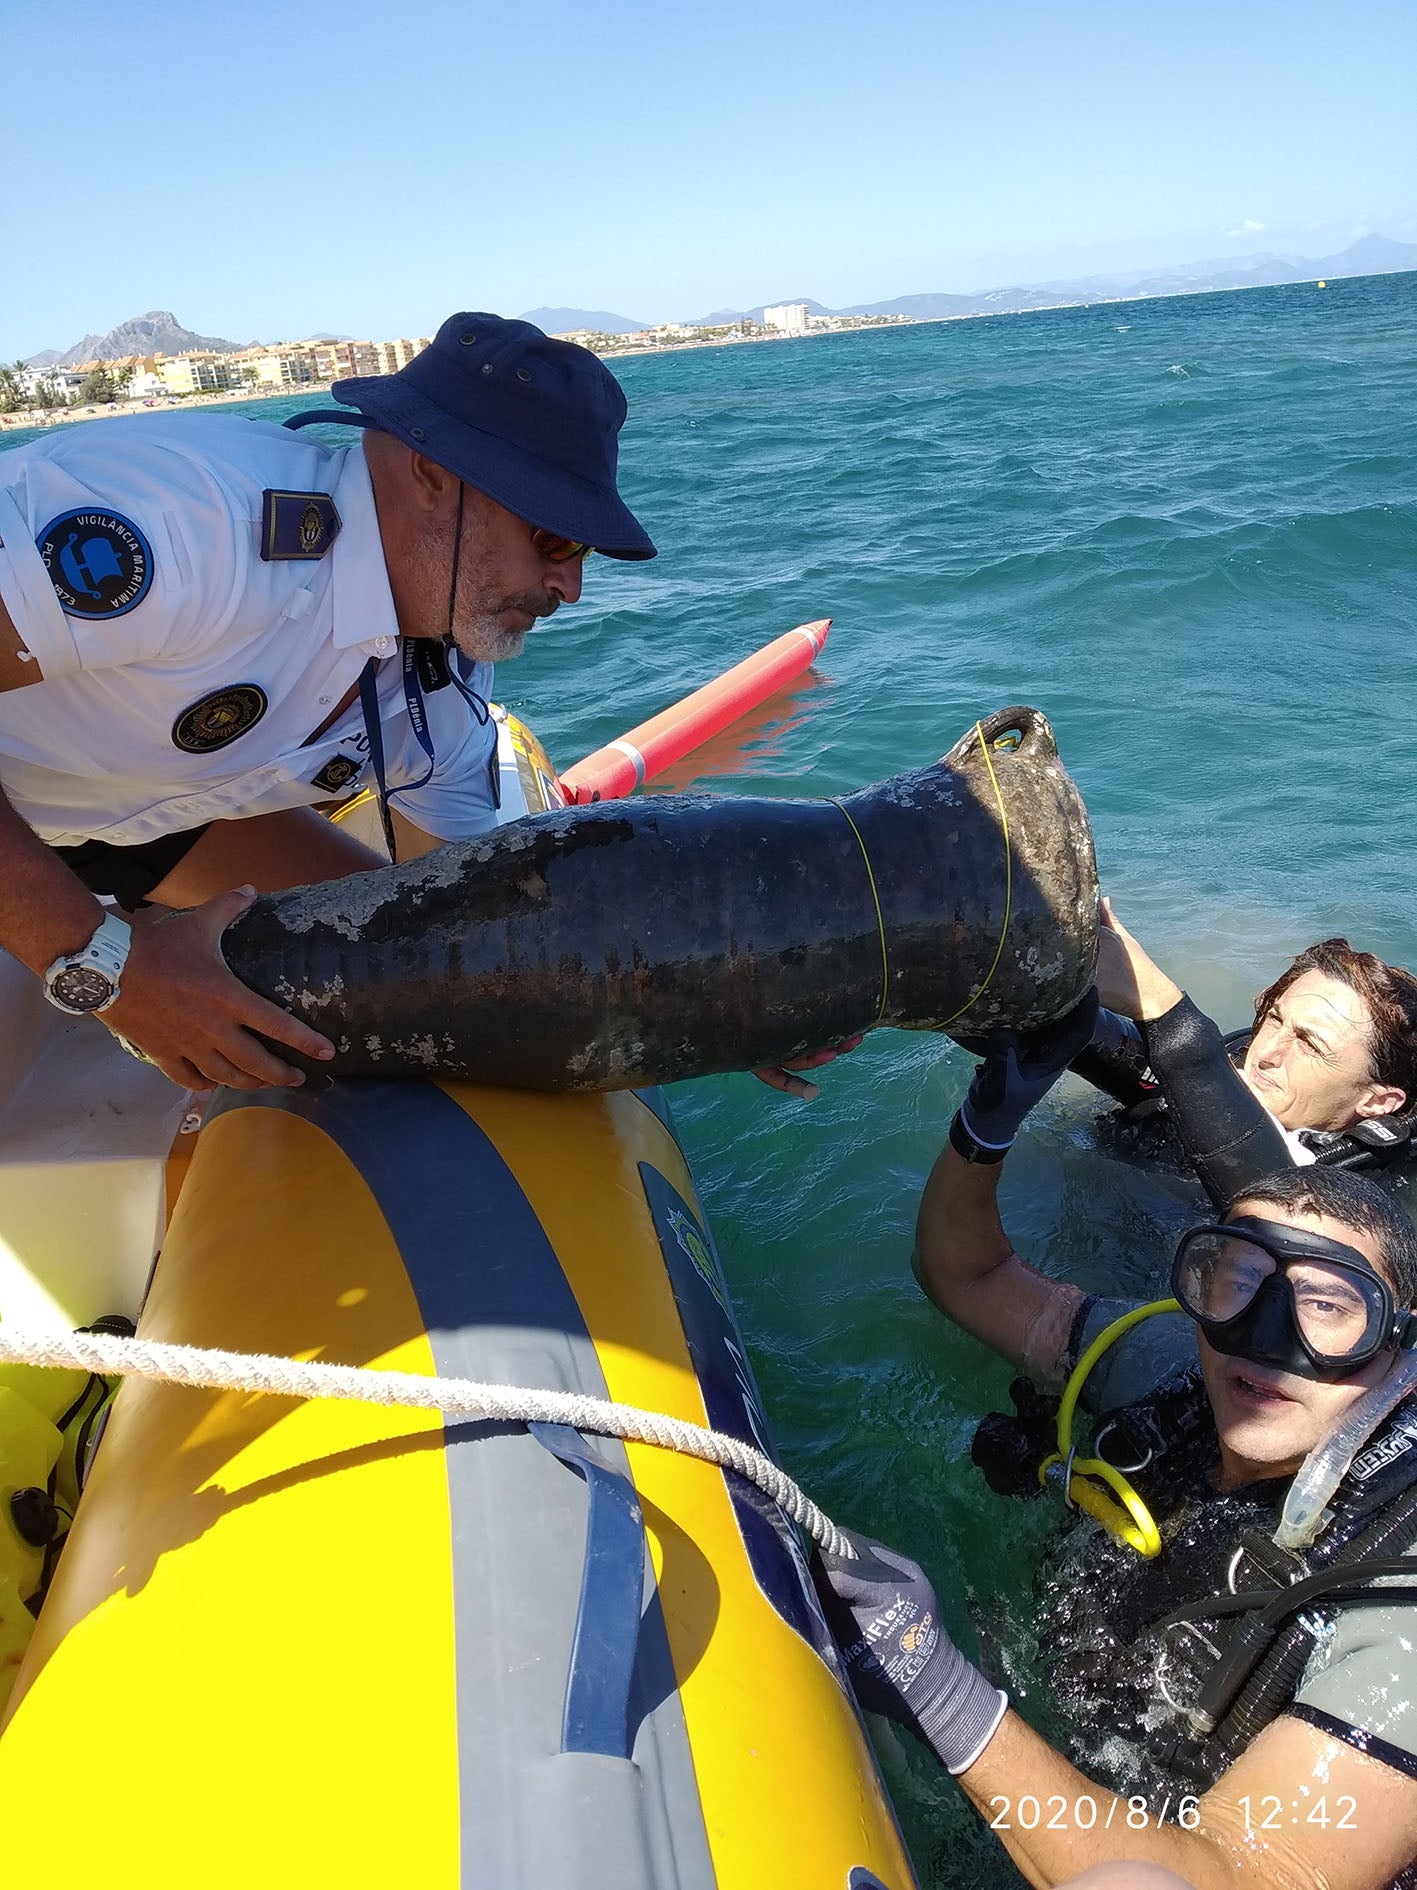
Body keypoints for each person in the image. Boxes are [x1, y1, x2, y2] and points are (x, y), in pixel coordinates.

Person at [0, 313, 845, 1102]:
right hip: (43, 793)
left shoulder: (437, 691)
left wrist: (700, 1003)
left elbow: (488, 928)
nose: (571, 586)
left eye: (580, 547)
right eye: (552, 537)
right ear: (432, 473)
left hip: (123, 812)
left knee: (432, 950)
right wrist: (106, 966)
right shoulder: (194, 526)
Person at [818, 1006, 1417, 1889]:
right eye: (1234, 1282)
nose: (1259, 1338)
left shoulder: (1399, 1593)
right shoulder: (1181, 1365)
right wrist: (987, 1123)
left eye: (1327, 1306)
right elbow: (968, 1276)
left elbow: (1234, 1876)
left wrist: (938, 1689)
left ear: (1397, 1345)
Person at [1082, 906, 1417, 1194]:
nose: (1267, 1053)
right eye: (1275, 1019)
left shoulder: (1370, 1202)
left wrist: (1164, 1009)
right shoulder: (1228, 1065)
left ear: (1377, 1101)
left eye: (1310, 1044)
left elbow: (1273, 1209)